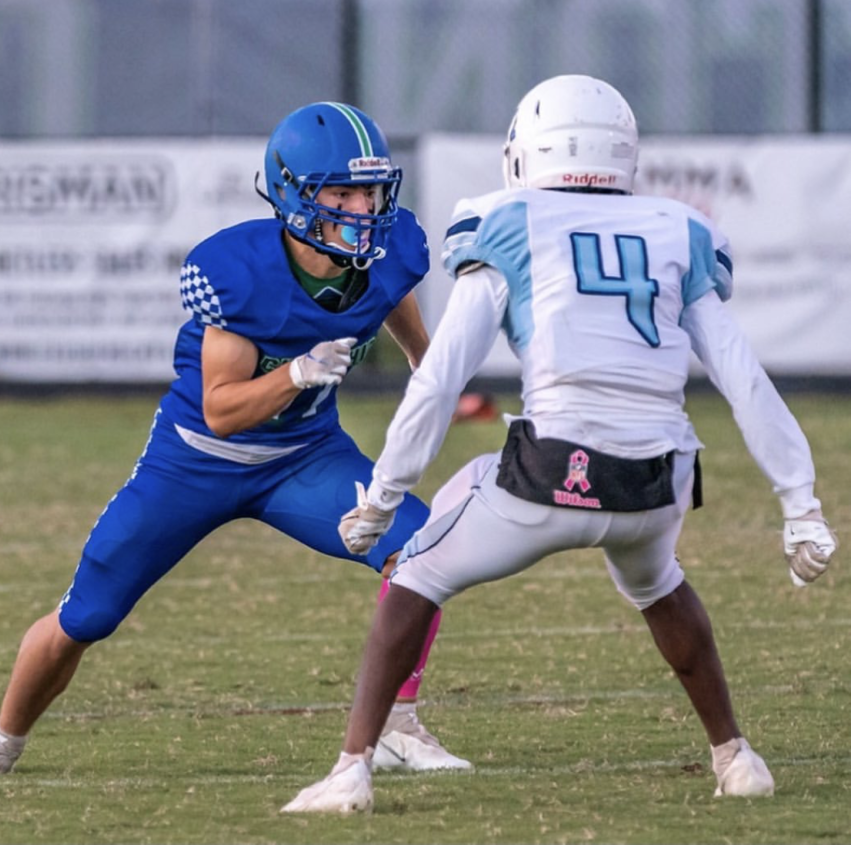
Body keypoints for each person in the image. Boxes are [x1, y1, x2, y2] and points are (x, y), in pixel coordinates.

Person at [281, 75, 839, 814]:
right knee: (658, 580)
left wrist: (384, 495)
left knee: (414, 571)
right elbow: (744, 378)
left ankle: (352, 766)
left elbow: (443, 376)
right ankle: (736, 755)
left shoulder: (506, 220)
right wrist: (800, 503)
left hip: (551, 476)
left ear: (528, 152)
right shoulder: (678, 228)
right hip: (659, 480)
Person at [0, 102, 471, 777]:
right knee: (88, 614)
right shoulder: (239, 270)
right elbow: (223, 410)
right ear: (295, 193)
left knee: (421, 549)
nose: (362, 207)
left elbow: (388, 287)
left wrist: (423, 358)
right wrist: (296, 373)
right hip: (197, 462)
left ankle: (398, 721)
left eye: (370, 190)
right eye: (341, 191)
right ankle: (1, 739)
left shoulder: (391, 243)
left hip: (306, 456)